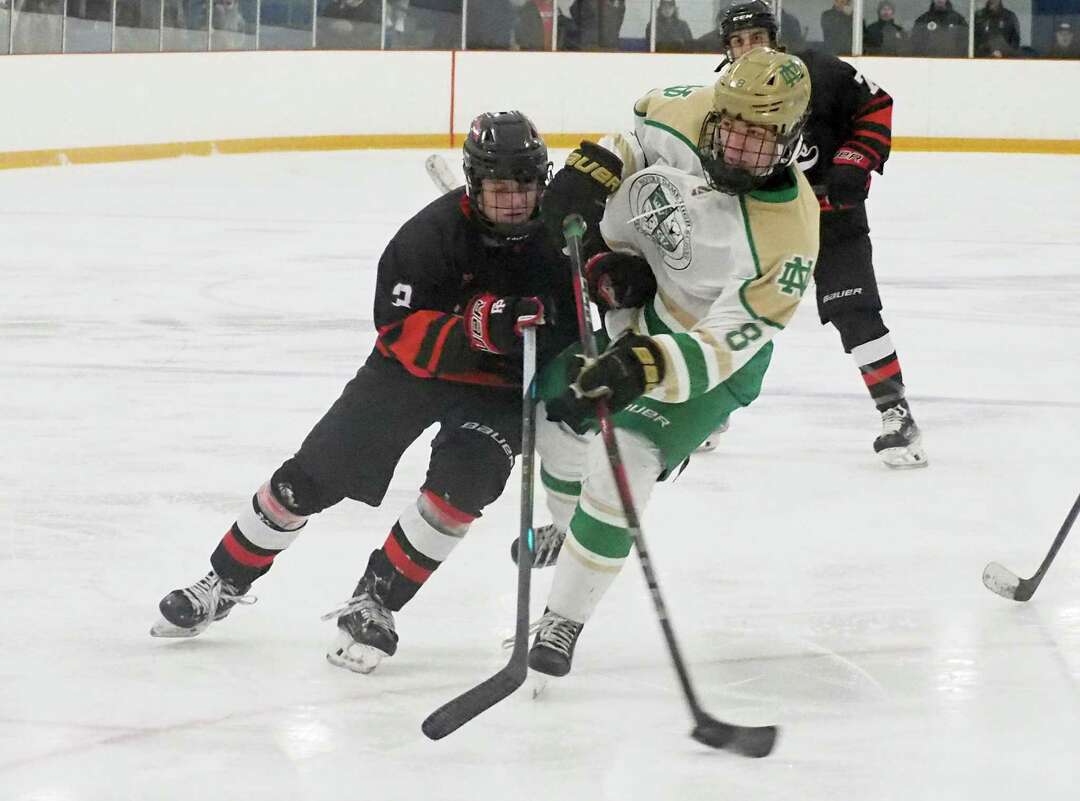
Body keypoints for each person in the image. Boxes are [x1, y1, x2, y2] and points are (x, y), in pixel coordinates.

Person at [150, 111, 579, 675]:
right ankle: (224, 580)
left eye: (525, 188)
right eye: (500, 189)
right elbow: (397, 329)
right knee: (305, 482)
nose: (514, 203)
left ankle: (376, 600)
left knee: (460, 493)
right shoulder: (429, 235)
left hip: (497, 394)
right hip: (410, 375)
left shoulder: (562, 238)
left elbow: (582, 322)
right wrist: (484, 325)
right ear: (475, 184)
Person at [519, 48, 820, 675]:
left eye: (758, 143)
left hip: (700, 355)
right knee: (555, 409)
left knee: (622, 464)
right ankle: (563, 527)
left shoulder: (787, 239)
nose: (738, 151)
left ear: (790, 141)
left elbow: (721, 346)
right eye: (731, 132)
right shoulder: (687, 110)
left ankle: (563, 619)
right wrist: (597, 166)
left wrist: (640, 367)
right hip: (637, 298)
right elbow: (632, 140)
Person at [658, 1, 926, 469]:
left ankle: (895, 410)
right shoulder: (722, 93)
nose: (747, 49)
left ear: (773, 37)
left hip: (831, 220)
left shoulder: (818, 72)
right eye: (737, 42)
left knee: (855, 311)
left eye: (755, 38)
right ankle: (708, 411)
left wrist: (855, 159)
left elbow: (876, 104)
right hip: (761, 224)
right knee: (724, 311)